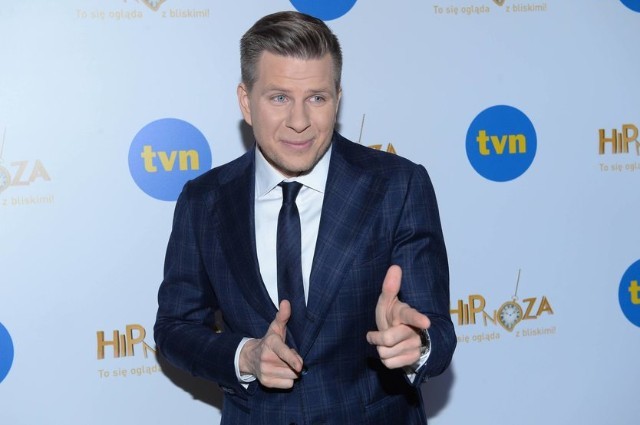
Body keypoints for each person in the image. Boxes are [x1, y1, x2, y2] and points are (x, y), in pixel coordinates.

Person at [154, 10, 455, 425]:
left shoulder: (397, 186)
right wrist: (246, 356)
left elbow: (438, 330)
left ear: (337, 99)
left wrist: (416, 344)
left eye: (317, 98)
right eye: (279, 98)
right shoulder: (203, 201)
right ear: (246, 101)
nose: (299, 122)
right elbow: (175, 327)